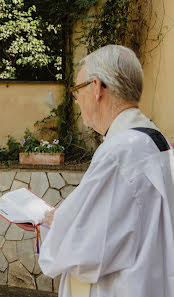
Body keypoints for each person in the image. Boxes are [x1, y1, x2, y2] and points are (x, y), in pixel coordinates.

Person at [38, 45, 174, 297]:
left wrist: (53, 223)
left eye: (78, 91)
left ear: (97, 87)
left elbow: (89, 252)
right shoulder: (157, 141)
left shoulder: (120, 152)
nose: (76, 101)